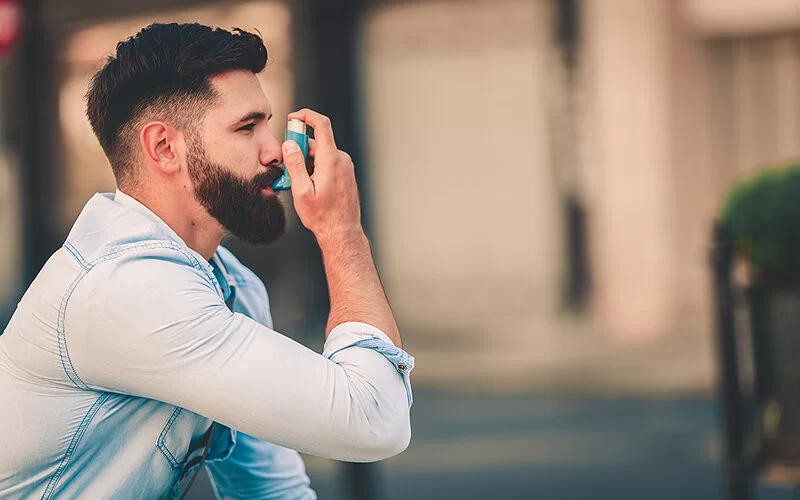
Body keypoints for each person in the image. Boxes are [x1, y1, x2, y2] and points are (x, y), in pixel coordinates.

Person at [0, 23, 413, 499]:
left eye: (267, 124)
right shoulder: (125, 288)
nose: (275, 150)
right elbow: (372, 420)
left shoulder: (229, 284)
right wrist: (341, 231)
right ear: (164, 148)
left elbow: (268, 489)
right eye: (246, 127)